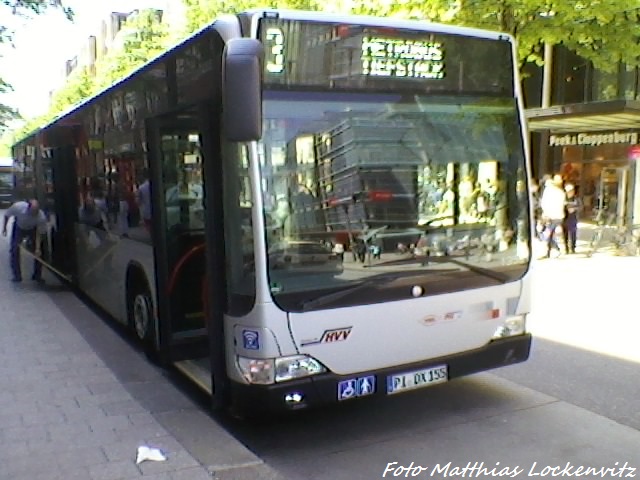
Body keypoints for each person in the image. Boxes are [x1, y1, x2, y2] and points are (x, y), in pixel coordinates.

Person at [2, 199, 48, 282]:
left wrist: (37, 248)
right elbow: (7, 215)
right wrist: (4, 228)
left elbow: (39, 233)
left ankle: (37, 275)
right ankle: (17, 276)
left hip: (33, 229)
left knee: (40, 252)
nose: (34, 214)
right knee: (14, 250)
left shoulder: (41, 217)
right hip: (19, 227)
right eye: (33, 212)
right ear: (28, 208)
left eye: (36, 212)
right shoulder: (18, 207)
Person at [539, 174, 566, 258]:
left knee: (548, 232)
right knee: (553, 232)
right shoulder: (560, 192)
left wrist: (545, 213)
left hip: (551, 215)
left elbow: (544, 203)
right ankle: (554, 250)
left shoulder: (548, 190)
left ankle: (546, 250)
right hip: (557, 215)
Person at [563, 184, 581, 254]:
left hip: (573, 218)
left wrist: (574, 209)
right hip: (565, 217)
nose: (570, 192)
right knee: (565, 234)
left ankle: (573, 248)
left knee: (573, 233)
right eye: (569, 191)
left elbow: (581, 207)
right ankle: (566, 248)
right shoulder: (563, 198)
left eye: (571, 191)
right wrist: (566, 209)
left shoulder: (576, 199)